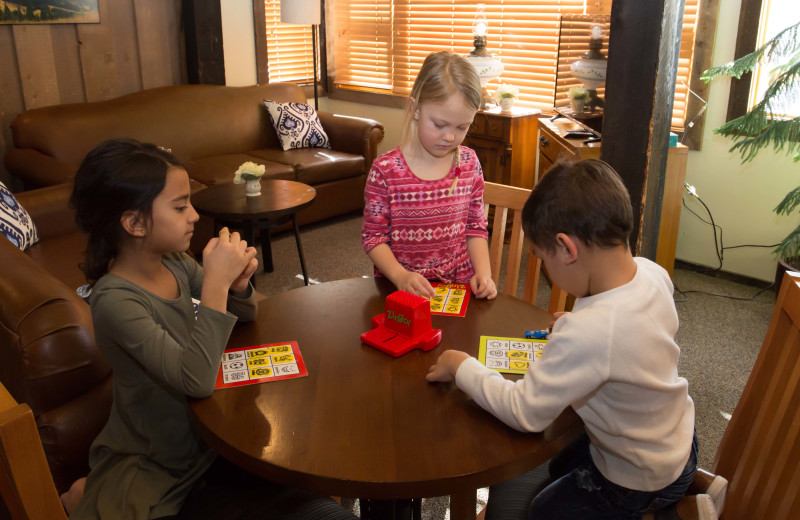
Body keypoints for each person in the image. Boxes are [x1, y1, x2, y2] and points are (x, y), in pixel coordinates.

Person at [67, 139, 357, 520]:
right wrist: (216, 285)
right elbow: (196, 378)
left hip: (209, 437)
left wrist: (237, 287)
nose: (192, 215)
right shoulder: (116, 301)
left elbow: (245, 316)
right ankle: (80, 495)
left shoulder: (173, 262)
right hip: (160, 461)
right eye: (180, 205)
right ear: (135, 223)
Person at [426, 159, 699, 519]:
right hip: (678, 441)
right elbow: (634, 333)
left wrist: (462, 367)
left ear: (567, 249)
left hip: (637, 477)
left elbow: (525, 413)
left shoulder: (592, 333)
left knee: (541, 511)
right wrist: (582, 324)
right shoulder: (651, 273)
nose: (548, 272)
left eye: (542, 259)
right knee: (558, 464)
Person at [361, 51, 497, 300]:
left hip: (458, 289)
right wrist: (400, 276)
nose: (450, 137)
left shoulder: (469, 163)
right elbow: (373, 237)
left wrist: (484, 274)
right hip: (401, 289)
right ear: (415, 108)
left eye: (462, 127)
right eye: (440, 124)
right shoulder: (386, 170)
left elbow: (475, 228)